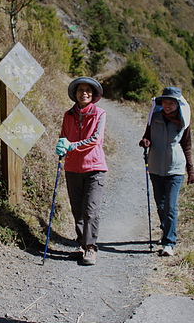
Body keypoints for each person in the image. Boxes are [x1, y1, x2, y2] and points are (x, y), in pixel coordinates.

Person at [55, 77, 107, 266]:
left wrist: (72, 145)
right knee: (77, 210)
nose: (84, 93)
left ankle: (91, 248)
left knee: (90, 210)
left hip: (94, 168)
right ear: (75, 94)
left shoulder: (100, 113)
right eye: (80, 90)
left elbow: (95, 140)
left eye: (88, 90)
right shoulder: (68, 114)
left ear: (93, 95)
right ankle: (81, 244)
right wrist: (61, 145)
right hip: (72, 168)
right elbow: (63, 135)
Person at [138, 87, 194, 257]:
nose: (167, 105)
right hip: (155, 167)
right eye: (165, 102)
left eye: (171, 102)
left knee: (170, 205)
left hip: (175, 168)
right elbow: (147, 136)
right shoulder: (154, 117)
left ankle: (169, 242)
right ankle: (165, 230)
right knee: (161, 205)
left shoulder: (183, 121)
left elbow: (187, 145)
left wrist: (190, 170)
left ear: (178, 104)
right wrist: (145, 142)